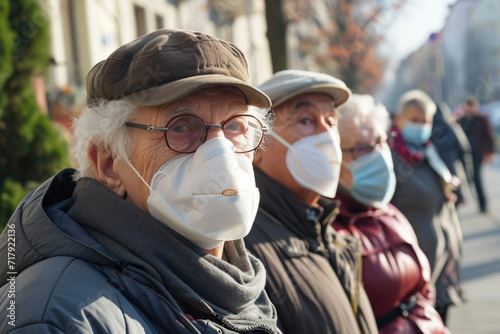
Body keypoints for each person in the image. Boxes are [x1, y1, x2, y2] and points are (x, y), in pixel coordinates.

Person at [0, 29, 281, 333]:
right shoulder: (59, 315)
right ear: (108, 163)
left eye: (236, 125)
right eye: (181, 126)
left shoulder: (236, 282)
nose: (220, 150)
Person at [244, 70, 378, 334]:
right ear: (256, 145)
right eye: (306, 121)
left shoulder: (321, 226)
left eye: (330, 120)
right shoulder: (247, 252)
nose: (326, 135)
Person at [333, 94, 450, 333]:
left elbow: (424, 291)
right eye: (362, 148)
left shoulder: (389, 212)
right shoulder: (331, 229)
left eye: (380, 142)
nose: (377, 154)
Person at [389, 89, 465, 324]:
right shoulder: (391, 158)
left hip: (443, 267)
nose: (420, 126)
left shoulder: (429, 152)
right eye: (414, 120)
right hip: (416, 276)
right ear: (398, 120)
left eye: (425, 121)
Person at [458, 95, 496, 213]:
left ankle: (483, 205)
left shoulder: (481, 119)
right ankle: (465, 200)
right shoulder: (462, 120)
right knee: (466, 179)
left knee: (477, 178)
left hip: (478, 153)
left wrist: (490, 152)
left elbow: (489, 137)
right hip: (465, 154)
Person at [431, 103, 473, 206]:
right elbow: (465, 149)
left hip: (436, 180)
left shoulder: (426, 130)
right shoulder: (452, 127)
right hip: (455, 174)